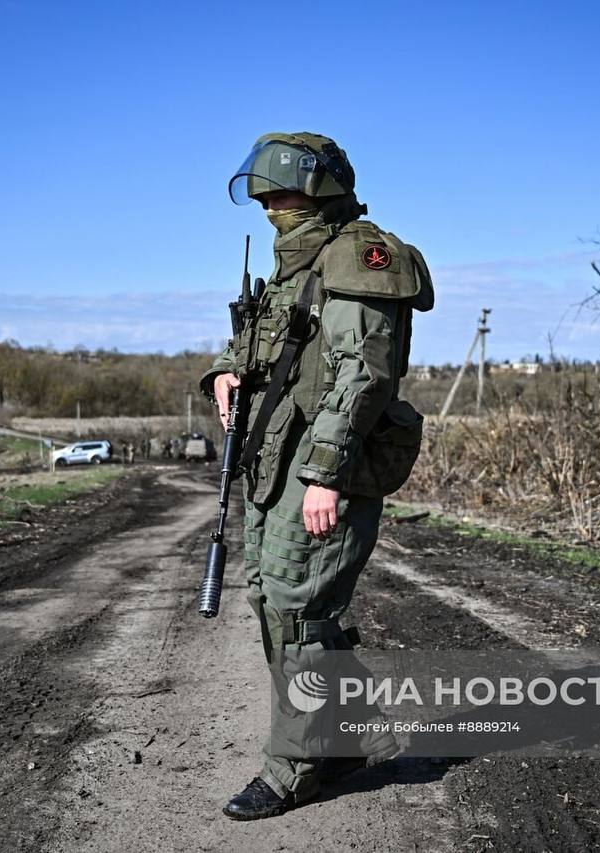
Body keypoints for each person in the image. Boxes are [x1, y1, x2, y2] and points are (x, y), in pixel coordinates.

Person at [200, 132, 434, 820]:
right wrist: (222, 369)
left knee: (300, 610)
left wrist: (327, 475)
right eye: (264, 193)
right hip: (278, 461)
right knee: (274, 598)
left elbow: (362, 377)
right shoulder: (294, 265)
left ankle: (296, 765)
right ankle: (346, 732)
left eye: (285, 191)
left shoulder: (361, 257)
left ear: (323, 187)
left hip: (326, 465)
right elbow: (268, 341)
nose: (272, 204)